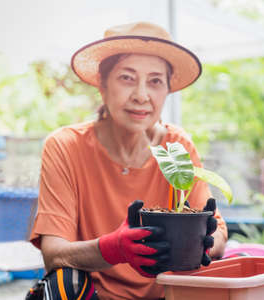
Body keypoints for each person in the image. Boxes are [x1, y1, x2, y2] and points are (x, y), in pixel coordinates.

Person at [28, 21, 228, 300]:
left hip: (165, 293)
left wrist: (204, 243)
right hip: (93, 295)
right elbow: (53, 254)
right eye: (127, 78)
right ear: (102, 84)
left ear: (167, 91)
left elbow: (218, 234)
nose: (142, 96)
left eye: (155, 81)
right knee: (65, 283)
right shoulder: (66, 146)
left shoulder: (177, 146)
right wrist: (113, 248)